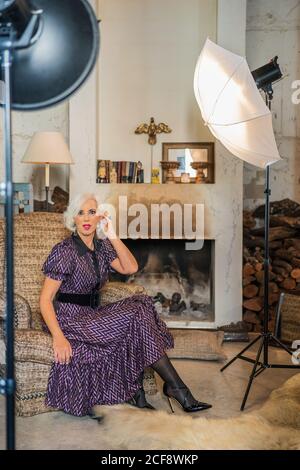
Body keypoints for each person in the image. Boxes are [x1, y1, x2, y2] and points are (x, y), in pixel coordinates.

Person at [39, 193, 212, 416]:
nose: (86, 218)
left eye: (92, 212)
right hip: (70, 319)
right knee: (138, 310)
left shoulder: (101, 248)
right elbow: (45, 300)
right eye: (80, 212)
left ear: (100, 216)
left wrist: (111, 233)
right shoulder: (64, 251)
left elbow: (130, 267)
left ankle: (153, 391)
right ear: (73, 217)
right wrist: (58, 337)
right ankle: (175, 389)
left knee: (140, 304)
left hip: (93, 315)